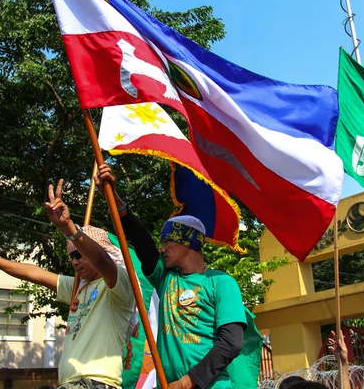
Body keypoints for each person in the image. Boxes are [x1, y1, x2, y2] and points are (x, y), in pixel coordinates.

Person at [0, 179, 135, 389]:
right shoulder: (76, 287)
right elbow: (34, 273)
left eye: (80, 254)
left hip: (96, 384)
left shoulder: (119, 286)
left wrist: (69, 227)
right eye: (71, 255)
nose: (75, 260)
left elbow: (101, 261)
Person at [95, 164, 250, 389]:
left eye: (167, 241)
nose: (162, 248)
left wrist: (191, 380)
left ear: (186, 243)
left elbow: (231, 342)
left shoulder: (222, 283)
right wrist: (115, 199)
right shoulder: (165, 278)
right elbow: (142, 242)